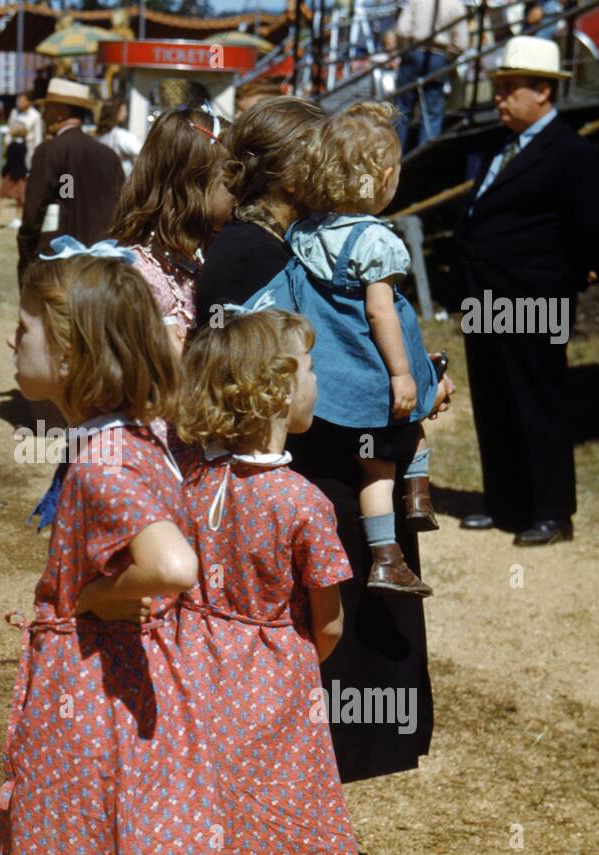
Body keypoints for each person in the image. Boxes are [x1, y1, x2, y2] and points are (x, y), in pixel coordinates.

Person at [196, 101, 456, 786]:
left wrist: (419, 372)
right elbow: (252, 373)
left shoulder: (304, 239)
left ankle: (319, 805)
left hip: (348, 463)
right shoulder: (251, 255)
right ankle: (295, 815)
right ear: (288, 173)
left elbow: (352, 333)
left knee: (358, 650)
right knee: (328, 653)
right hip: (317, 479)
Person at [0, 243, 217, 855]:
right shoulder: (141, 436)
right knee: (129, 845)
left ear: (69, 353)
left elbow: (171, 564)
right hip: (144, 687)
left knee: (76, 854)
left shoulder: (103, 460)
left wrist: (94, 593)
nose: (14, 335)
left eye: (26, 325)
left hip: (94, 698)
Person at [175, 307, 360, 855]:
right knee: (267, 837)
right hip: (273, 681)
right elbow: (328, 622)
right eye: (310, 368)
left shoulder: (193, 479)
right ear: (278, 390)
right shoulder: (303, 502)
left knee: (197, 817)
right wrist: (298, 665)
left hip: (189, 667)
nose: (316, 381)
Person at [247, 102, 442, 595]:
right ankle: (405, 521)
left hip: (338, 379)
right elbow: (380, 312)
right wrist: (401, 373)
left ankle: (394, 540)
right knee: (398, 442)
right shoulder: (377, 240)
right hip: (377, 373)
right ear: (384, 177)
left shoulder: (306, 235)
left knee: (374, 462)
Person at [454, 36, 599, 545]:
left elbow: (592, 229)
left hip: (534, 300)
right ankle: (504, 500)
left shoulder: (570, 151)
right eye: (497, 88)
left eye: (509, 89)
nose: (499, 99)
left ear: (543, 91)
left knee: (536, 401)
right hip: (487, 298)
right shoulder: (505, 149)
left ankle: (550, 509)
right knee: (495, 399)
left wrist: (565, 282)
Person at [108, 105, 233, 351]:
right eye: (230, 181)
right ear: (192, 184)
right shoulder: (137, 273)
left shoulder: (198, 260)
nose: (241, 192)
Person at [196, 96, 325, 327]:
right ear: (292, 176)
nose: (336, 175)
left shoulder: (255, 241)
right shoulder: (259, 258)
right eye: (328, 162)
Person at [17, 79, 124, 283]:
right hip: (102, 264)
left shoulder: (51, 151)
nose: (43, 116)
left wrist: (26, 249)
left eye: (46, 109)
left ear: (59, 113)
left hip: (60, 262)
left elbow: (36, 209)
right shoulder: (108, 156)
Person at [391, 0, 469, 149]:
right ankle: (425, 156)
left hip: (414, 51)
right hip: (439, 57)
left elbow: (401, 29)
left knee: (402, 108)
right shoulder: (456, 4)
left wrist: (407, 48)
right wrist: (447, 57)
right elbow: (462, 43)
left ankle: (395, 155)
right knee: (432, 112)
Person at [0, 121, 28, 231]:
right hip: (22, 175)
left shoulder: (11, 146)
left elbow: (9, 162)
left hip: (11, 175)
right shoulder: (24, 146)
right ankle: (18, 220)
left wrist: (4, 173)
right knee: (20, 199)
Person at [94, 99, 143, 178]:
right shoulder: (121, 135)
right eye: (124, 110)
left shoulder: (98, 136)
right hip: (120, 181)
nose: (126, 114)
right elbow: (143, 152)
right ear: (115, 112)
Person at [9, 91, 43, 159]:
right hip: (14, 147)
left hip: (29, 148)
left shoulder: (35, 115)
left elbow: (38, 136)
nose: (19, 103)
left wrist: (37, 152)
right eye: (18, 101)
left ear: (29, 102)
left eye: (22, 101)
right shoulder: (14, 112)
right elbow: (10, 129)